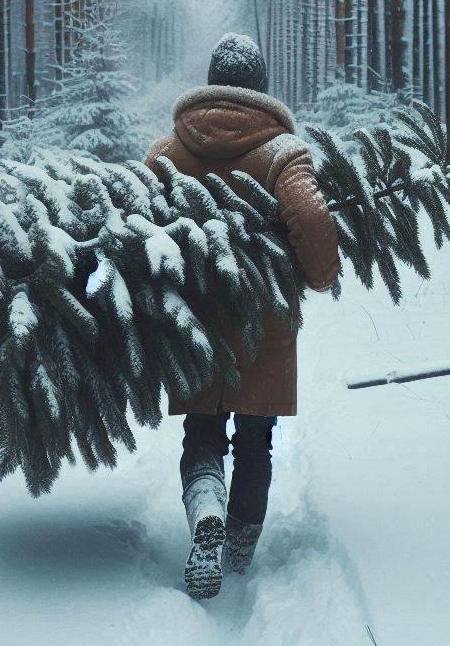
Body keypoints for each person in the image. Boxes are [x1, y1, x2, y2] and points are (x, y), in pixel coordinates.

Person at [145, 33, 341, 600]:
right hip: (265, 321)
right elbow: (309, 213)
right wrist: (320, 274)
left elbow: (137, 231)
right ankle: (237, 549)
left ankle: (205, 510)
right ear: (259, 88)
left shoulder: (167, 151)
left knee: (201, 430)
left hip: (193, 319)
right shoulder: (282, 152)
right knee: (256, 438)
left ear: (213, 81)